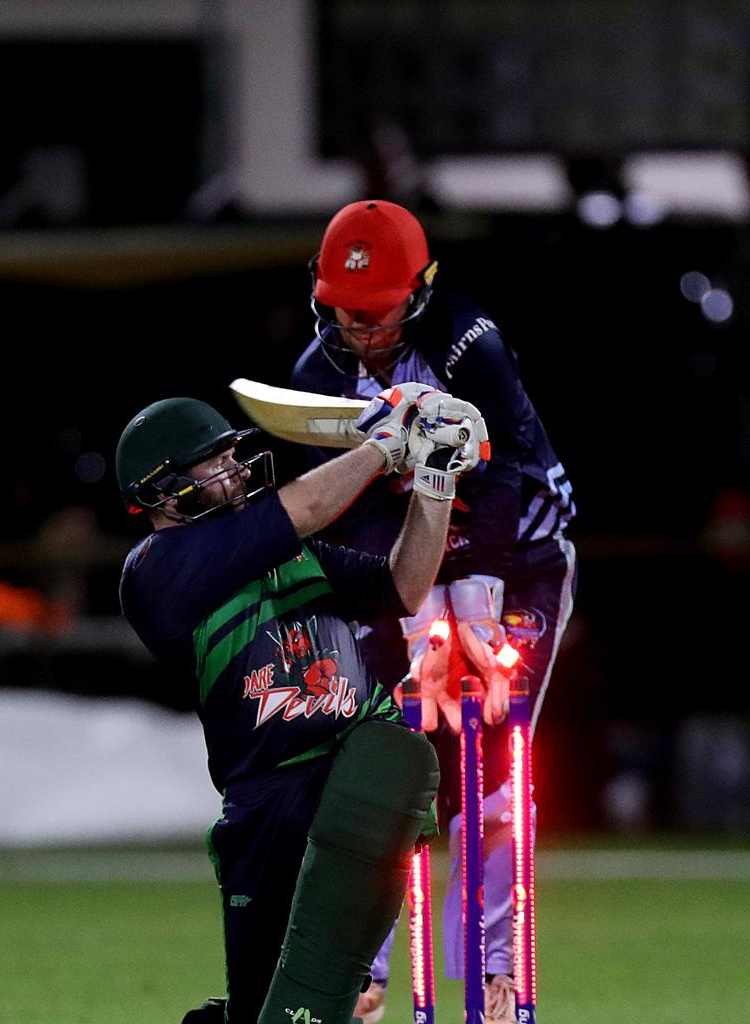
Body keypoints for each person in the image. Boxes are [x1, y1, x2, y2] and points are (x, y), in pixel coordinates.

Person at [115, 386, 488, 1024]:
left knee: (316, 1002)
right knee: (270, 1010)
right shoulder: (155, 570)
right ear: (164, 489)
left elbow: (404, 586)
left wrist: (433, 482)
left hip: (349, 776)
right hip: (268, 805)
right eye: (214, 461)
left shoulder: (288, 549)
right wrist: (385, 444)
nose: (234, 468)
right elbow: (311, 504)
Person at [291, 200, 577, 1024]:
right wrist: (421, 626)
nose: (363, 332)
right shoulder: (318, 373)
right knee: (381, 761)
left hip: (517, 560)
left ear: (420, 291)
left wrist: (474, 616)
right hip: (397, 567)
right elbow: (357, 513)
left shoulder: (467, 344)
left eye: (378, 314)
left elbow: (496, 476)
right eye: (347, 314)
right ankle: (365, 967)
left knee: (494, 767)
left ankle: (496, 972)